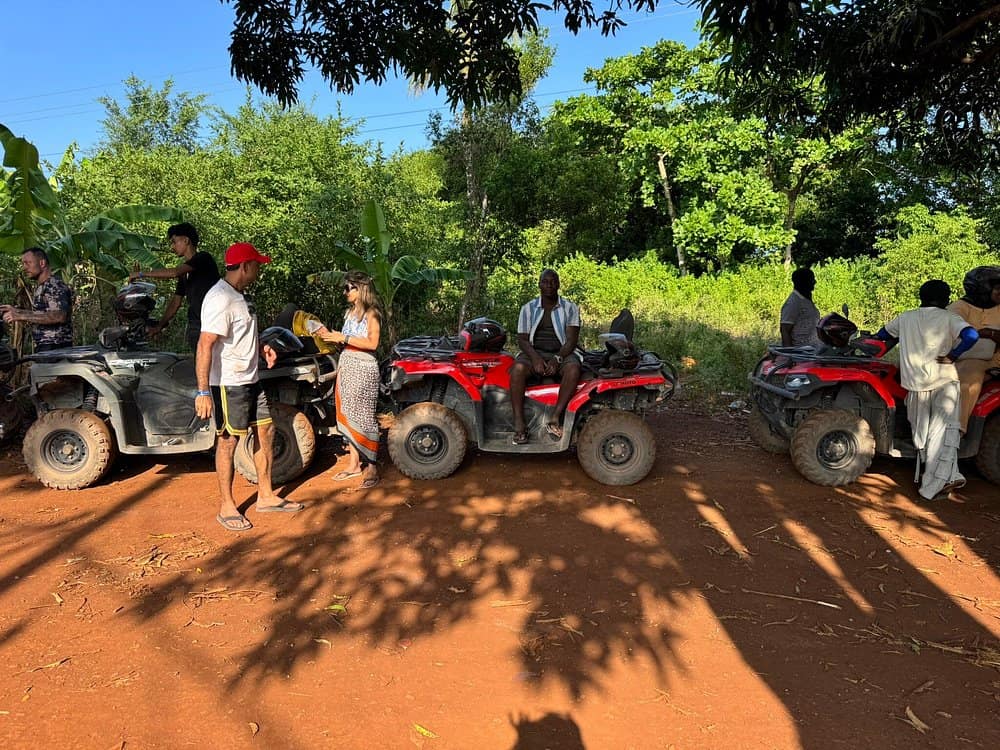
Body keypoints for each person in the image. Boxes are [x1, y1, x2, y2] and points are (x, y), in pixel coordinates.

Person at [194, 242, 304, 532]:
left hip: (251, 379)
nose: (259, 269)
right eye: (256, 265)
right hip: (229, 384)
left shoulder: (239, 296)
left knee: (265, 430)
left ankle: (266, 496)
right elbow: (206, 344)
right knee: (228, 441)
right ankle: (227, 505)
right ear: (244, 266)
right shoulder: (219, 297)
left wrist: (261, 350)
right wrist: (203, 391)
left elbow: (239, 338)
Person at [875, 280, 979, 502]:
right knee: (941, 433)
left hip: (915, 386)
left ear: (921, 297)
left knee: (921, 434)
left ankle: (940, 479)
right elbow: (972, 336)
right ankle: (939, 481)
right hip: (944, 381)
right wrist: (953, 355)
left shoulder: (906, 318)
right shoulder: (950, 318)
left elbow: (882, 336)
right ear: (945, 300)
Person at [316, 271, 383, 489]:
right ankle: (354, 464)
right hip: (347, 366)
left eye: (348, 288)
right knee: (347, 413)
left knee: (364, 415)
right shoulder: (349, 313)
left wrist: (343, 337)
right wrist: (331, 337)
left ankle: (371, 465)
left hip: (363, 368)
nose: (345, 292)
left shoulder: (372, 314)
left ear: (360, 289)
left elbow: (372, 343)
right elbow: (347, 342)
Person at [510, 268, 582, 444]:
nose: (549, 285)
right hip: (534, 352)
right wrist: (535, 359)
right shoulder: (528, 308)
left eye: (553, 281)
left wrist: (557, 359)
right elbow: (522, 340)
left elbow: (571, 341)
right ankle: (519, 423)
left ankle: (555, 417)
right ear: (539, 285)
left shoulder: (570, 308)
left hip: (562, 352)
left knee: (573, 369)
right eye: (545, 282)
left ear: (558, 284)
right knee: (517, 370)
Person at [130, 222, 220, 351]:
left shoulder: (203, 258)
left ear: (186, 240)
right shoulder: (185, 274)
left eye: (174, 241)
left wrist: (141, 274)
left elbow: (175, 272)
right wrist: (159, 326)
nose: (172, 247)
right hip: (196, 324)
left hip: (213, 322)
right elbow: (175, 303)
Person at [946, 268, 1000, 433]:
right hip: (965, 358)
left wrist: (990, 334)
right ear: (982, 289)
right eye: (997, 288)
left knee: (969, 379)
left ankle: (956, 430)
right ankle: (953, 428)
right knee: (964, 382)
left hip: (993, 358)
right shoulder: (957, 308)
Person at [0, 247, 73, 352]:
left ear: (42, 263)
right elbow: (42, 313)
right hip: (46, 347)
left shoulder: (54, 285)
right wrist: (16, 311)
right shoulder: (43, 287)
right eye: (23, 264)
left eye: (28, 263)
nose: (24, 268)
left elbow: (59, 316)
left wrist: (20, 315)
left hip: (56, 347)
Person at [780, 268, 820, 347]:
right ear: (803, 282)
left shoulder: (805, 299)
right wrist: (790, 355)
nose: (815, 282)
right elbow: (785, 330)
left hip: (811, 351)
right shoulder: (793, 302)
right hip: (801, 352)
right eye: (811, 279)